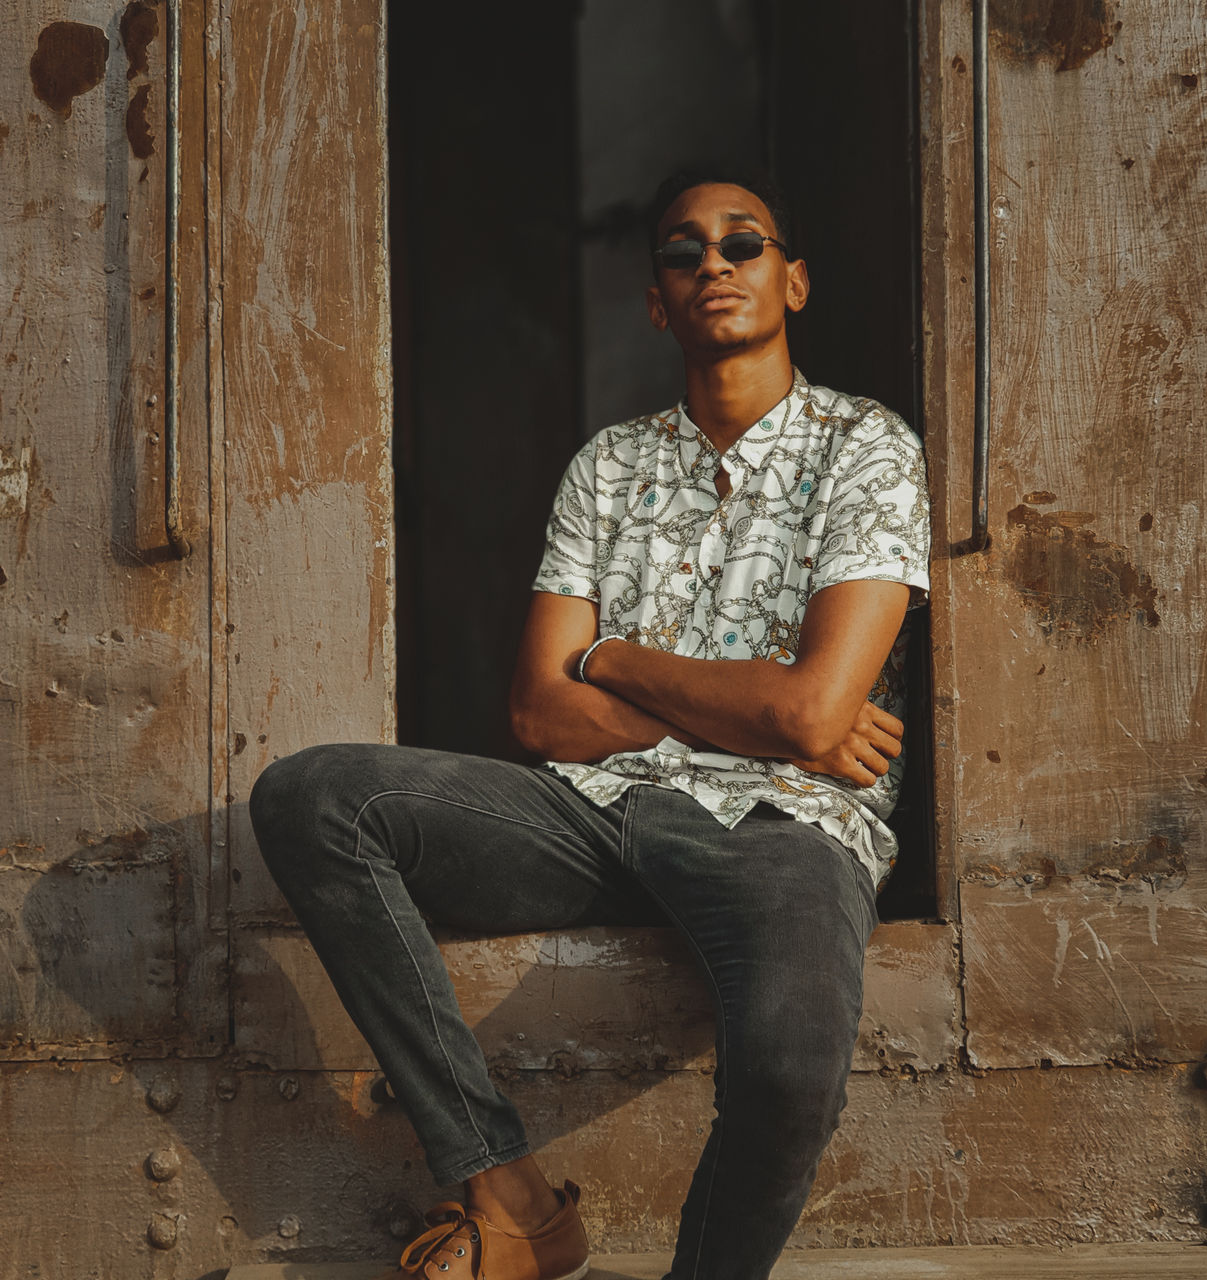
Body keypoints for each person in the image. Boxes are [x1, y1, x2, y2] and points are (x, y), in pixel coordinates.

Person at [250, 170, 930, 1280]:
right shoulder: (608, 467)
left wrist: (614, 659)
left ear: (791, 278)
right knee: (314, 798)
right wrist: (761, 709)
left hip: (783, 826)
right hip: (596, 812)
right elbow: (536, 711)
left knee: (793, 1062)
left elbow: (810, 715)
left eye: (743, 242)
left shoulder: (864, 446)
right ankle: (507, 1188)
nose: (713, 262)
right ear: (656, 302)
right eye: (681, 251)